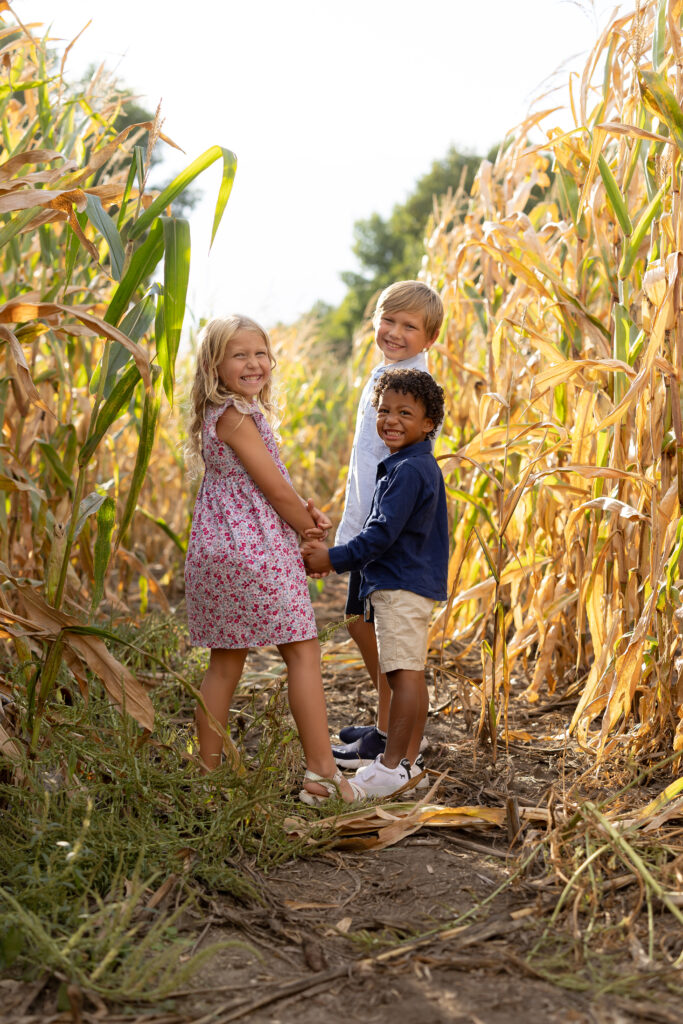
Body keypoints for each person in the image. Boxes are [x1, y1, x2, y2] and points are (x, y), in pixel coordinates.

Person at [183, 315, 362, 806]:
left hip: (219, 550)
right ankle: (322, 776)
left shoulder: (226, 414)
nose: (254, 363)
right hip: (252, 552)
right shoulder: (238, 418)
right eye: (240, 355)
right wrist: (307, 530)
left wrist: (303, 509)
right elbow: (272, 488)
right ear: (215, 365)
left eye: (260, 353)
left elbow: (266, 483)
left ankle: (205, 782)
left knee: (224, 665)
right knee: (303, 652)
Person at [302, 369, 448, 798]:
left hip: (402, 585)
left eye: (405, 412)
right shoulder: (407, 465)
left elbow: (381, 534)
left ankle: (390, 767)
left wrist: (332, 558)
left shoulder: (408, 471)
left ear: (428, 424)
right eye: (384, 410)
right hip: (409, 583)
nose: (391, 419)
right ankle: (405, 760)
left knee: (403, 676)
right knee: (409, 675)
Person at [332, 281, 444, 771]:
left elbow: (402, 468)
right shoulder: (384, 375)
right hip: (364, 521)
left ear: (428, 338)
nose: (395, 332)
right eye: (388, 320)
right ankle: (383, 728)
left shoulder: (412, 388)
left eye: (409, 326)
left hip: (381, 533)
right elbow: (364, 460)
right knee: (361, 623)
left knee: (371, 629)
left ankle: (390, 736)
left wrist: (357, 540)